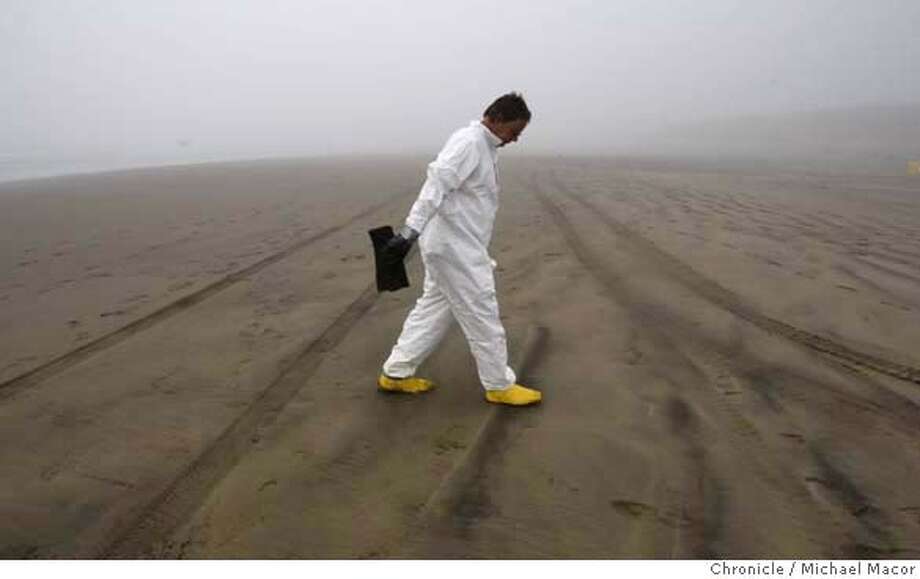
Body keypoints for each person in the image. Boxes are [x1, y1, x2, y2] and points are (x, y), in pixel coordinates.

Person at [377, 92, 542, 406]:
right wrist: (408, 232)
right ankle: (498, 384)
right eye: (514, 131)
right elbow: (435, 185)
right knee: (482, 310)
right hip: (454, 248)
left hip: (457, 244)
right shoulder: (469, 143)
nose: (515, 139)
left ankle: (395, 373)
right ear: (496, 119)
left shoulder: (484, 146)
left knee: (433, 309)